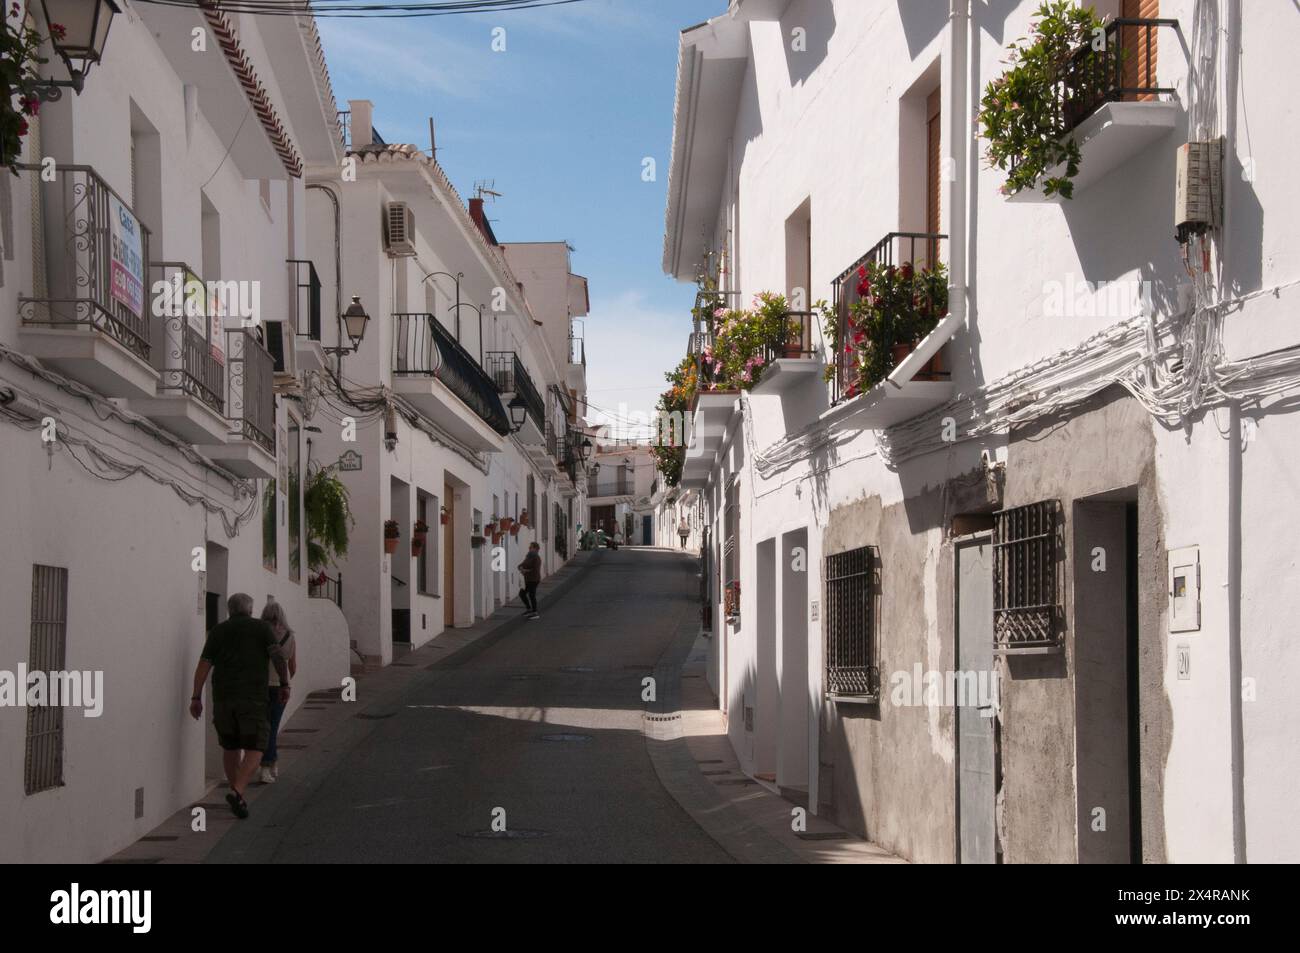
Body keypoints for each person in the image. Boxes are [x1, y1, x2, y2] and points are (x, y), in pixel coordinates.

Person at [189, 593, 289, 819]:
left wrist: (196, 697)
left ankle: (238, 797)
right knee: (256, 746)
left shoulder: (217, 631)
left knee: (230, 746)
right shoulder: (262, 629)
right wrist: (284, 684)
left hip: (223, 698)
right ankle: (237, 790)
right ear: (251, 610)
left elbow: (203, 664)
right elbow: (278, 658)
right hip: (252, 698)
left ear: (230, 610)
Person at [258, 600, 297, 785]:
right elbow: (293, 666)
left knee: (264, 728)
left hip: (260, 685)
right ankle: (269, 765)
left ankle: (268, 765)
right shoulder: (290, 636)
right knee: (272, 727)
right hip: (281, 687)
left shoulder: (259, 634)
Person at [518, 541, 542, 619]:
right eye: (529, 547)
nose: (529, 548)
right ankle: (529, 609)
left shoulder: (536, 558)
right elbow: (521, 565)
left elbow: (535, 570)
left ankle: (535, 612)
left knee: (532, 595)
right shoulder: (528, 556)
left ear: (535, 549)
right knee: (522, 593)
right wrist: (521, 567)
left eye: (530, 547)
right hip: (527, 579)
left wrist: (525, 571)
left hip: (534, 579)